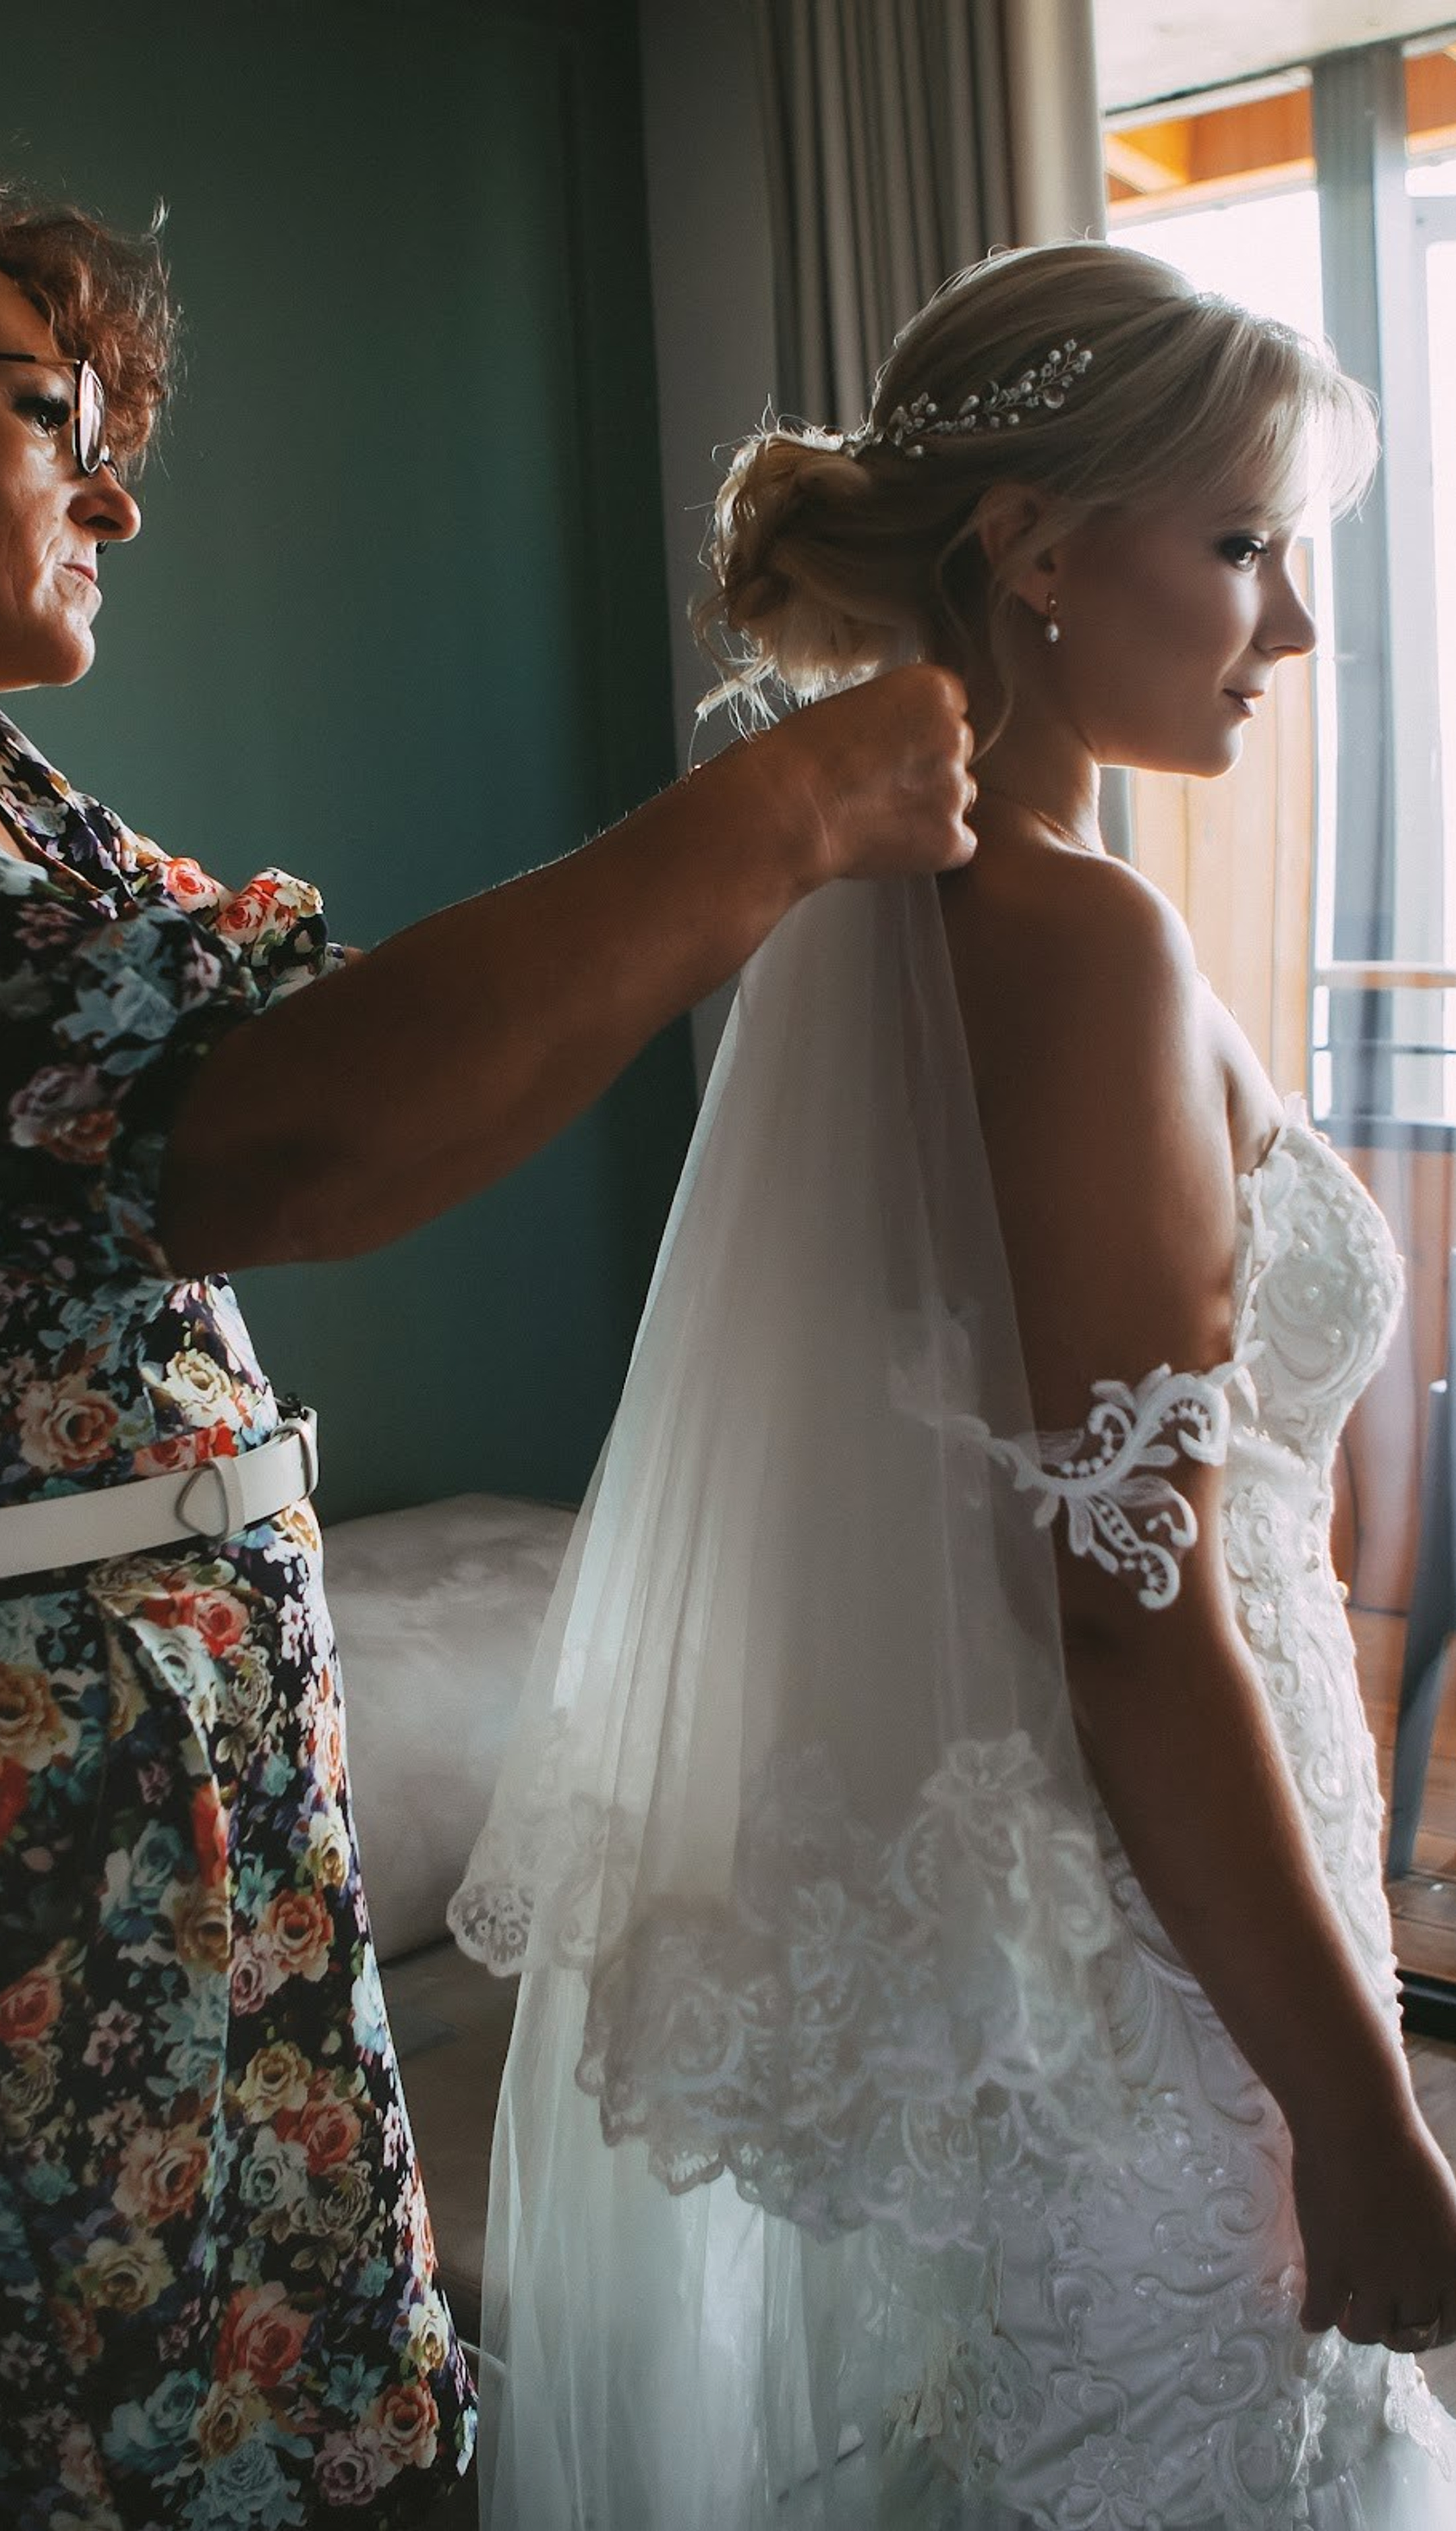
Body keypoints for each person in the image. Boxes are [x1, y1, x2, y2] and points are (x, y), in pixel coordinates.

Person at [0, 167, 974, 2530]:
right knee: (116, 2462)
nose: (116, 489)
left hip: (196, 1804)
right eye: (55, 412)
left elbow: (305, 1043)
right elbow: (287, 1134)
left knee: (334, 2411)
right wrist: (776, 815)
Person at [450, 241, 1456, 2526]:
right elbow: (1123, 1606)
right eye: (1240, 547)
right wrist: (1358, 2111)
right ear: (1029, 554)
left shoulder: (922, 906)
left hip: (1135, 1892)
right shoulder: (1073, 942)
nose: (1293, 626)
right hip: (1160, 1934)